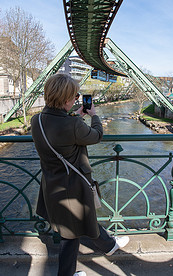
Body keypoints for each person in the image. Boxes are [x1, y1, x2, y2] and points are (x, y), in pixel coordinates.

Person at [31, 74, 129, 276]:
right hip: (72, 186)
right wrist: (94, 116)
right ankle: (71, 271)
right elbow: (96, 136)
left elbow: (60, 129)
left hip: (51, 184)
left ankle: (109, 245)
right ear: (66, 98)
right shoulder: (73, 126)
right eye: (75, 96)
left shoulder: (36, 120)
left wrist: (76, 115)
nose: (77, 98)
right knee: (72, 232)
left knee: (76, 225)